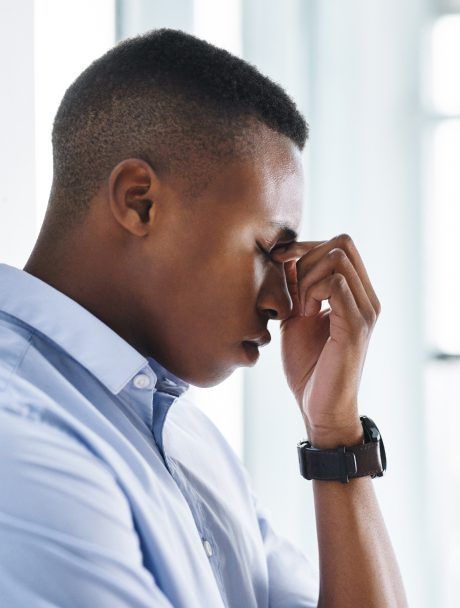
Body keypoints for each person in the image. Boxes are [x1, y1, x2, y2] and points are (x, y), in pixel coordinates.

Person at [0, 28, 407, 607]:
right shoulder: (17, 434)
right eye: (270, 251)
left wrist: (335, 434)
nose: (284, 303)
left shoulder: (188, 442)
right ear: (140, 201)